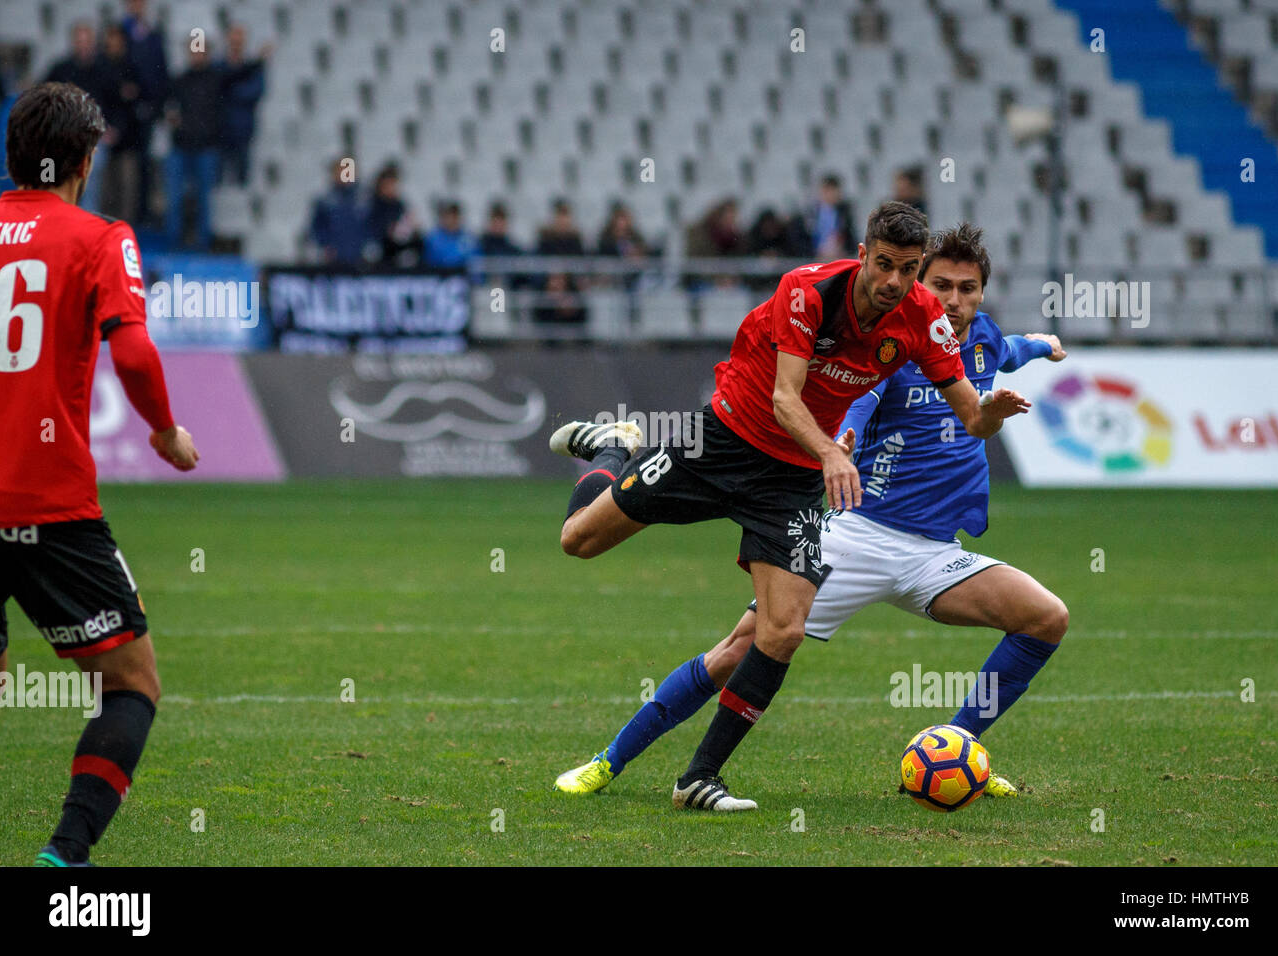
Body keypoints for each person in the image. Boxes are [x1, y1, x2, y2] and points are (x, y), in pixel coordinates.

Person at [554, 223, 1068, 804]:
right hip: (813, 503)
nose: (949, 299)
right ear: (868, 260)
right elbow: (817, 399)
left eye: (966, 288)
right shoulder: (838, 309)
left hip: (921, 546)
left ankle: (953, 749)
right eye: (934, 284)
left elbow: (1003, 365)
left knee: (1044, 617)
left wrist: (1026, 369)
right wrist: (836, 449)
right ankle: (613, 451)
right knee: (591, 549)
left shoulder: (972, 340)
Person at [0, 82, 199, 866]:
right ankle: (64, 857)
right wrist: (163, 431)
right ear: (84, 159)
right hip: (47, 503)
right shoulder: (98, 236)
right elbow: (135, 350)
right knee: (131, 681)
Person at [44, 22, 113, 213]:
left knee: (89, 189)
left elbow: (115, 102)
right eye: (79, 41)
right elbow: (42, 99)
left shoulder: (104, 70)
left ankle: (86, 235)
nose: (83, 45)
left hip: (93, 140)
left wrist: (112, 128)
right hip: (63, 139)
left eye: (87, 41)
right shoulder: (60, 69)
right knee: (60, 187)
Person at [162, 44, 223, 248]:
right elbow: (166, 105)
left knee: (204, 199)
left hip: (206, 147)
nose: (197, 55)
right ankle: (173, 243)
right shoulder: (180, 80)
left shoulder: (215, 79)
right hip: (180, 147)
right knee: (174, 198)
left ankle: (203, 245)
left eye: (201, 51)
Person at [121, 0, 169, 226]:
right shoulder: (119, 32)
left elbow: (161, 71)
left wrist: (157, 107)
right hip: (122, 113)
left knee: (146, 166)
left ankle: (143, 214)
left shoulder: (154, 34)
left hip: (148, 112)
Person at [99, 24, 144, 222]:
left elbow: (138, 101)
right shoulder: (98, 67)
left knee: (127, 190)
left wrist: (119, 129)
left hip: (128, 140)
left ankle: (124, 233)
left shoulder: (133, 67)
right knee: (105, 190)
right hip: (101, 138)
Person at [219, 24, 269, 186]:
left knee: (242, 179)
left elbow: (255, 92)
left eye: (239, 40)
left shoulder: (252, 67)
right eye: (233, 40)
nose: (236, 44)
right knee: (218, 179)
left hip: (243, 127)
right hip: (221, 128)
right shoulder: (219, 65)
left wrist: (229, 90)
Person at [308, 157, 368, 265]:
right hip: (333, 259)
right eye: (340, 170)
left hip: (359, 258)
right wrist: (326, 245)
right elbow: (317, 228)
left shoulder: (364, 200)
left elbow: (371, 226)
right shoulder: (324, 201)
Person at [366, 161, 421, 266]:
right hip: (380, 248)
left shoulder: (400, 205)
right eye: (388, 184)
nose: (391, 188)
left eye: (393, 184)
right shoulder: (372, 205)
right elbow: (369, 228)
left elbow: (407, 225)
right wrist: (387, 230)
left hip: (397, 247)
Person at [802, 173, 858, 260]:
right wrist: (814, 253)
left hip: (838, 257)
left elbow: (851, 239)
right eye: (827, 190)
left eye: (833, 191)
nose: (831, 194)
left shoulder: (845, 213)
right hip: (814, 258)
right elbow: (803, 238)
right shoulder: (811, 212)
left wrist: (844, 250)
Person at [423, 200, 477, 268]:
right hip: (439, 276)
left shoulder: (469, 238)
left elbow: (475, 260)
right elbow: (433, 260)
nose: (452, 220)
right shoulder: (433, 238)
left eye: (455, 216)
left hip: (464, 277)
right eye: (449, 215)